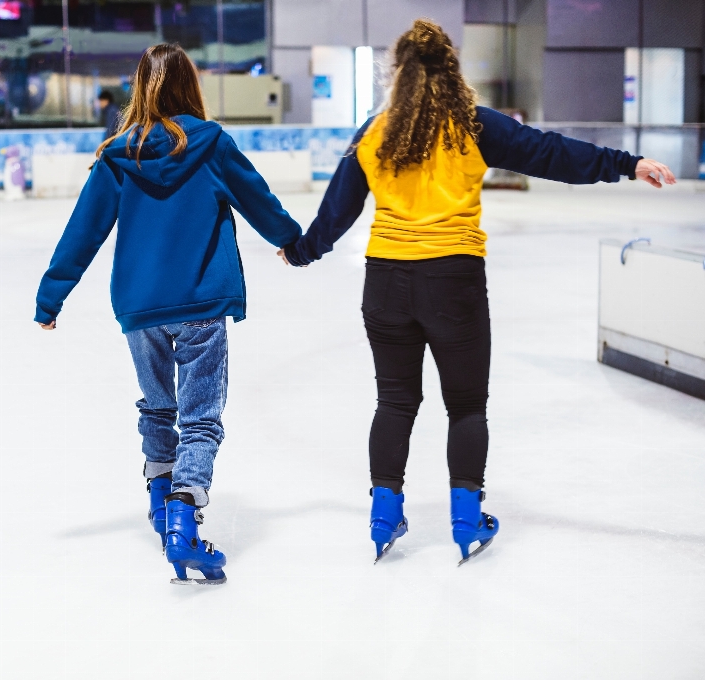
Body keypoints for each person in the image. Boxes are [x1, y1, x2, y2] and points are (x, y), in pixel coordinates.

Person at [279, 18, 675, 566]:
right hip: (453, 283)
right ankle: (466, 519)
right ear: (451, 69)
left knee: (395, 401)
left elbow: (335, 213)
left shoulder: (373, 132)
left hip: (386, 284)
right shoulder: (472, 125)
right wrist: (627, 164)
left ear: (397, 72)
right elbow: (550, 153)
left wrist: (300, 250)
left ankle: (383, 514)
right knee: (466, 405)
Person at [35, 44, 302, 585]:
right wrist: (292, 241)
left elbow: (82, 231)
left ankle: (161, 506)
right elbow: (259, 201)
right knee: (199, 417)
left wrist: (51, 295)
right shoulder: (212, 145)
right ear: (190, 85)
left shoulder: (118, 154)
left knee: (158, 407)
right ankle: (184, 517)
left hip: (140, 307)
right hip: (202, 301)